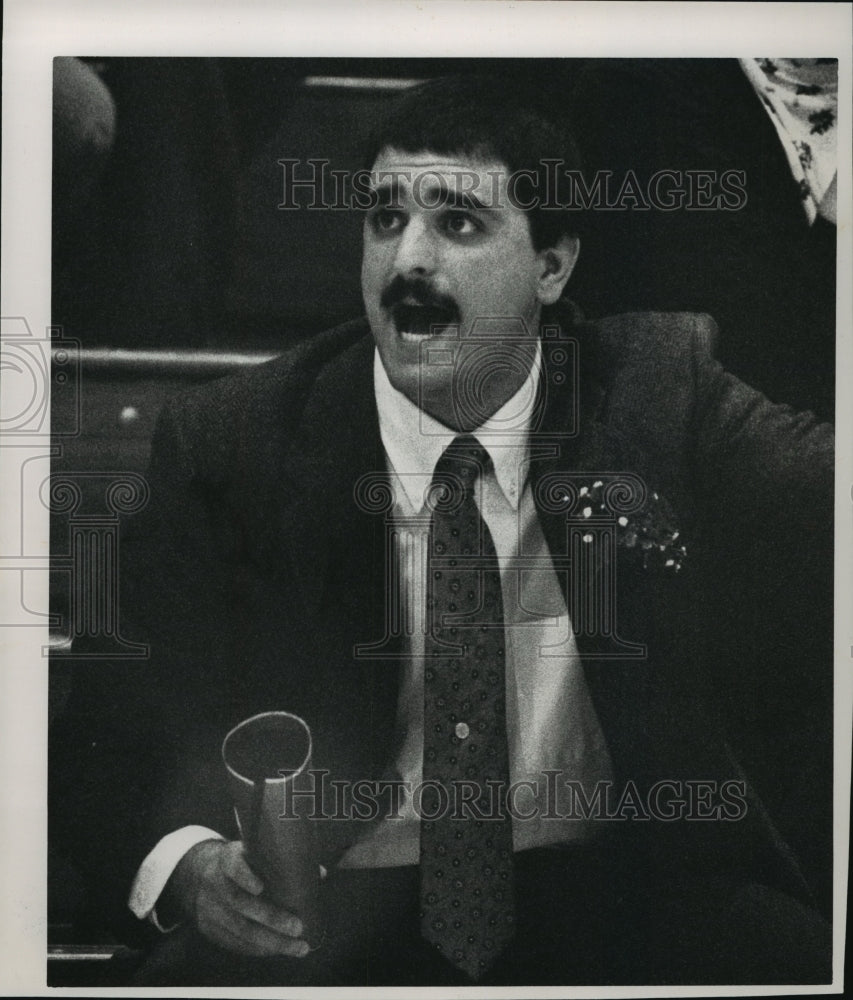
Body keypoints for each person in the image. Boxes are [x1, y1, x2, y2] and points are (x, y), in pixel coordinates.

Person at [49, 74, 834, 986]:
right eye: (385, 220)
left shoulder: (654, 393)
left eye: (458, 224)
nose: (408, 261)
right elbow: (111, 741)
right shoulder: (237, 442)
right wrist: (186, 864)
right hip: (334, 910)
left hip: (622, 899)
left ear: (552, 267)